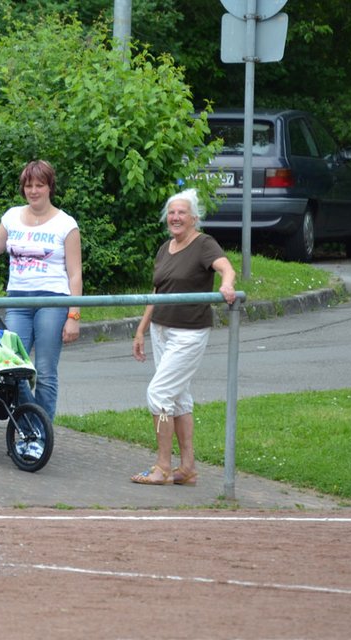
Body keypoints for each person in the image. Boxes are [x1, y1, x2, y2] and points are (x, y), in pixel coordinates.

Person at [130, 188, 237, 486]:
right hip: (161, 329)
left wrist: (226, 285)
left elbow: (226, 267)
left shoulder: (204, 244)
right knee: (177, 397)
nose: (175, 218)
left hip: (189, 333)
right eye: (172, 213)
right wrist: (141, 329)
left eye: (182, 213)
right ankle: (187, 467)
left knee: (159, 395)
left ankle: (162, 466)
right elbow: (157, 291)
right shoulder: (166, 248)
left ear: (194, 218)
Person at [0, 160, 82, 427]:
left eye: (39, 185)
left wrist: (74, 314)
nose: (33, 190)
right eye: (28, 185)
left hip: (53, 301)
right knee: (12, 368)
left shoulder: (66, 224)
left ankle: (40, 435)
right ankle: (30, 427)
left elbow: (75, 273)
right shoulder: (12, 217)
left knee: (46, 372)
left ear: (50, 187)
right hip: (18, 300)